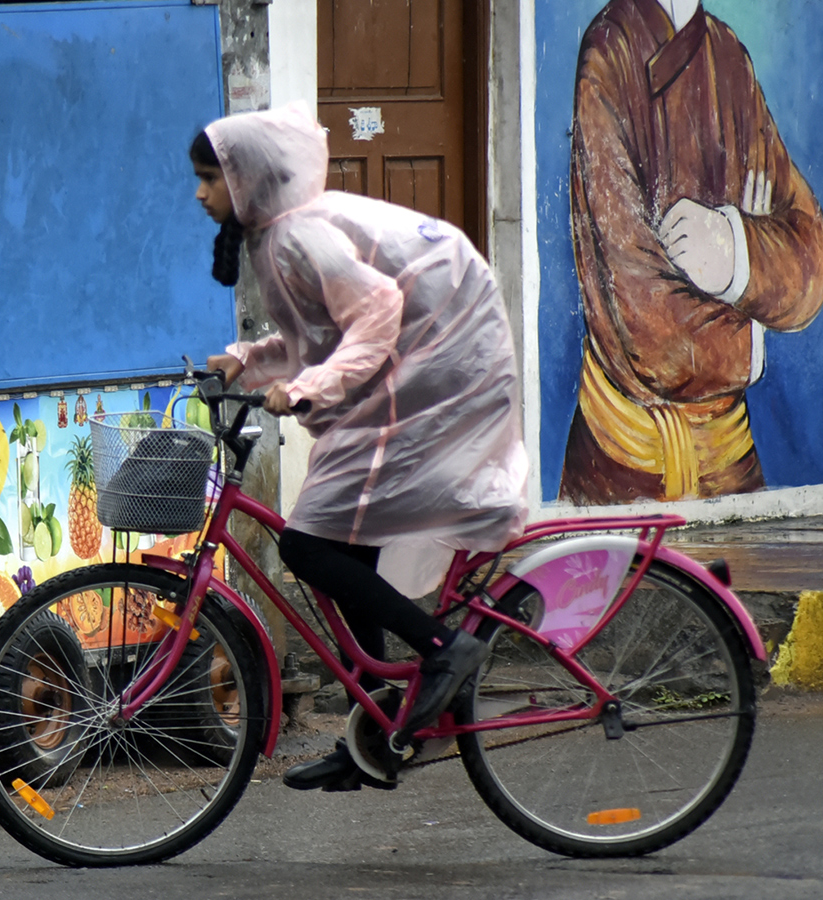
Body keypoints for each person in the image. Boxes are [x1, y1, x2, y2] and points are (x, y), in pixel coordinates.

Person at [191, 103, 529, 792]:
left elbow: (376, 311)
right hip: (418, 366)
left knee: (306, 545)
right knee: (343, 556)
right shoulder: (274, 235)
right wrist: (246, 362)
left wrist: (308, 387)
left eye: (208, 179)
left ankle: (443, 649)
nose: (199, 194)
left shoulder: (295, 236)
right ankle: (372, 734)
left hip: (438, 368)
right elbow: (318, 337)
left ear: (247, 180)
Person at [559, 0, 823, 504]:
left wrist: (734, 250)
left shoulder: (728, 56)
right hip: (621, 467)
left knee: (737, 583)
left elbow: (811, 260)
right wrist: (751, 320)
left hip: (730, 461)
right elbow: (649, 328)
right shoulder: (609, 54)